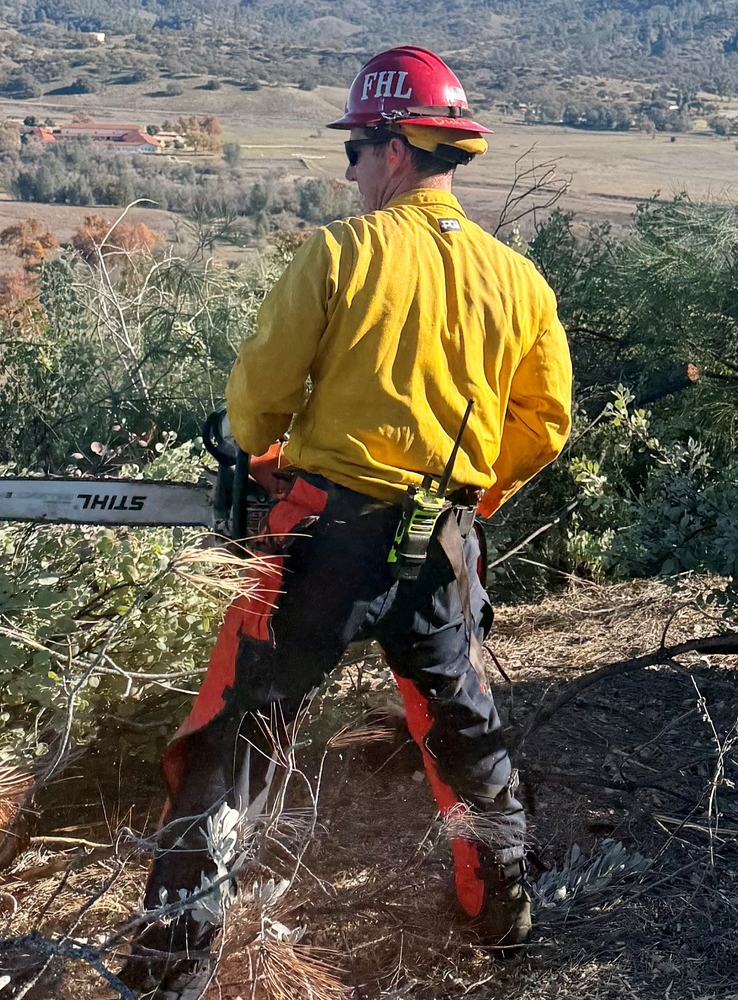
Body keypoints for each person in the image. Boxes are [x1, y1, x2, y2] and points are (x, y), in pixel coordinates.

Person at [120, 45, 573, 998]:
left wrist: (269, 452)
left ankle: (169, 968)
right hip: (441, 548)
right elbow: (545, 424)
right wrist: (470, 496)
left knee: (234, 739)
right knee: (464, 731)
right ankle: (504, 917)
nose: (353, 171)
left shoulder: (340, 254)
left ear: (398, 150)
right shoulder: (520, 282)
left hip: (324, 543)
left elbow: (256, 411)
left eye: (358, 151)